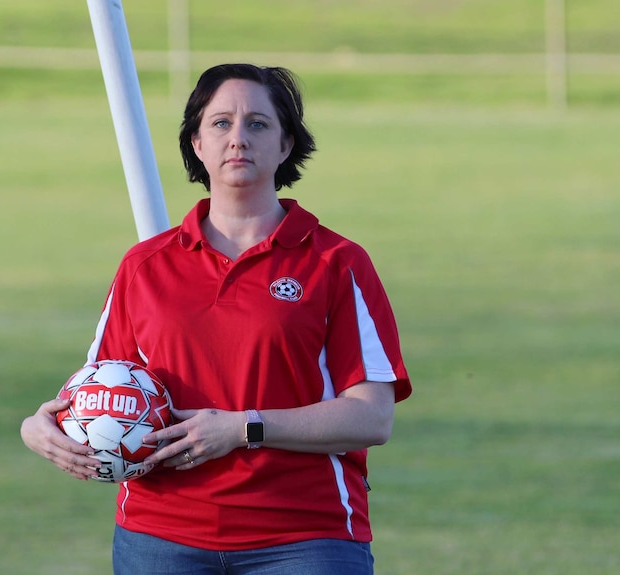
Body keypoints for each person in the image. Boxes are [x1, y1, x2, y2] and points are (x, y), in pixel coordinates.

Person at [21, 63, 411, 575]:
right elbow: (100, 396)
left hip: (304, 539)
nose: (238, 139)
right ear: (197, 144)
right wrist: (38, 428)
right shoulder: (145, 266)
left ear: (286, 144)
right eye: (221, 123)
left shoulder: (335, 262)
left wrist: (244, 428)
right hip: (159, 537)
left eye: (258, 124)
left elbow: (372, 417)